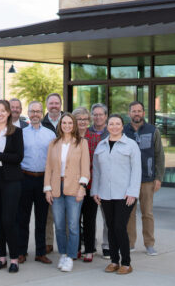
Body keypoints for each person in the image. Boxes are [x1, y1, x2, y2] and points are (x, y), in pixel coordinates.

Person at [91, 114, 141, 275]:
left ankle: (126, 262)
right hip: (105, 194)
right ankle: (114, 261)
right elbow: (97, 171)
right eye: (111, 124)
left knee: (119, 226)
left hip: (125, 194)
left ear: (122, 126)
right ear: (107, 126)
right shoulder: (101, 146)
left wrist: (133, 192)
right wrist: (95, 191)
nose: (114, 126)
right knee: (110, 227)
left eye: (117, 123)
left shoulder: (131, 145)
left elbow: (136, 171)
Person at [44, 112, 90, 272]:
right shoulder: (53, 143)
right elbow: (48, 167)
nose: (67, 125)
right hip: (56, 188)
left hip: (74, 188)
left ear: (74, 125)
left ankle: (71, 256)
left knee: (73, 225)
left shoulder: (81, 143)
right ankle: (63, 254)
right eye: (64, 123)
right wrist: (47, 189)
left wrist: (82, 187)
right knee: (59, 226)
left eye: (70, 123)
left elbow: (85, 167)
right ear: (60, 125)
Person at [0, 100, 24, 273]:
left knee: (9, 220)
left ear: (9, 113)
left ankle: (14, 259)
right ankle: (1, 258)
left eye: (3, 110)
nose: (0, 113)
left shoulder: (17, 132)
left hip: (11, 180)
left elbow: (18, 157)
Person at [124, 101, 165, 256]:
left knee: (147, 213)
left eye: (139, 111)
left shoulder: (152, 130)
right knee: (129, 213)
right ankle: (130, 243)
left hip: (147, 180)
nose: (137, 113)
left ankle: (149, 244)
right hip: (128, 181)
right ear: (129, 114)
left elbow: (159, 155)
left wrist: (158, 177)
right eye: (134, 111)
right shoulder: (124, 131)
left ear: (143, 113)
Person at [17, 101, 55, 265]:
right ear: (28, 112)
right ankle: (21, 252)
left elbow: (54, 160)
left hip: (43, 180)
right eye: (32, 111)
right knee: (22, 218)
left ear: (42, 113)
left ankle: (40, 252)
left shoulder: (50, 134)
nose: (35, 114)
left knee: (42, 218)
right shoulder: (21, 133)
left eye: (38, 112)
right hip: (25, 178)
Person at [73, 107, 101, 263]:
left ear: (88, 121)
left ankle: (89, 250)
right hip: (73, 186)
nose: (82, 122)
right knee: (74, 220)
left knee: (90, 220)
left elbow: (98, 165)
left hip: (91, 186)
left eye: (85, 119)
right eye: (79, 119)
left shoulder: (95, 139)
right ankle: (76, 248)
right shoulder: (71, 138)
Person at [41, 92, 63, 254]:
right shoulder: (41, 124)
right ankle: (48, 242)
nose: (54, 106)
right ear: (47, 106)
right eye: (51, 103)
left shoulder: (68, 122)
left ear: (60, 105)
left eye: (56, 103)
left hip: (66, 174)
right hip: (47, 174)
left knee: (67, 212)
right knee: (48, 212)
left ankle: (68, 243)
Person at [88, 103, 110, 259]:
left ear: (106, 116)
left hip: (106, 180)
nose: (98, 117)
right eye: (95, 114)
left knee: (107, 216)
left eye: (100, 114)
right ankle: (90, 244)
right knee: (89, 217)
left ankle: (107, 245)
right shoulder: (86, 132)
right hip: (89, 179)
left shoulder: (113, 132)